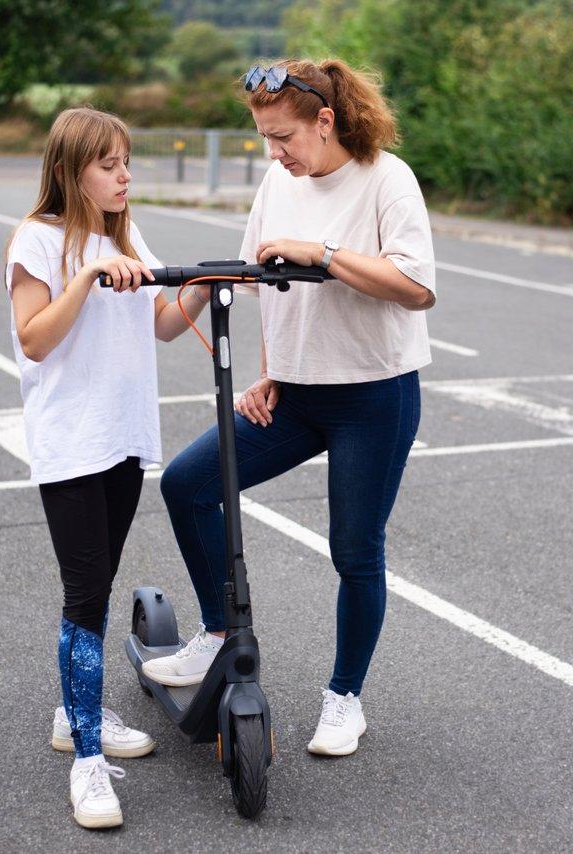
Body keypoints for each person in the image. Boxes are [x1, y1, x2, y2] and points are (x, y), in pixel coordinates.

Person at [143, 59, 436, 757]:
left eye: (283, 137)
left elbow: (416, 287)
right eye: (265, 139)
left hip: (374, 394)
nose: (275, 153)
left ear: (325, 120)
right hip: (296, 396)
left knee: (354, 550)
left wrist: (324, 253)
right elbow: (257, 279)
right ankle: (218, 634)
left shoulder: (386, 179)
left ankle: (344, 700)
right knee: (187, 485)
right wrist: (271, 371)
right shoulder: (280, 181)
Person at [3, 107, 211, 828]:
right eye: (109, 164)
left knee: (99, 582)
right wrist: (88, 274)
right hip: (71, 441)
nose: (125, 176)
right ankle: (88, 764)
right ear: (70, 171)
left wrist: (208, 286)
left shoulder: (126, 233)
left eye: (127, 162)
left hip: (124, 438)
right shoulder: (39, 240)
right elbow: (34, 339)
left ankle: (75, 711)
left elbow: (158, 321)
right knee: (85, 596)